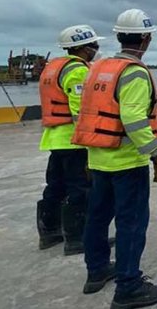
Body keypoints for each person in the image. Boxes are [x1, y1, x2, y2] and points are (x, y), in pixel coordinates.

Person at [72, 9, 157, 307]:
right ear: (146, 39)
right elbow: (133, 119)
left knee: (98, 217)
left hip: (98, 158)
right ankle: (129, 286)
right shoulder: (134, 72)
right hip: (127, 162)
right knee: (131, 223)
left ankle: (96, 271)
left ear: (118, 36)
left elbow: (85, 113)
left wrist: (88, 154)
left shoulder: (98, 69)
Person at [37, 25, 103, 255]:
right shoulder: (77, 71)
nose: (96, 49)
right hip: (73, 141)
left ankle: (50, 232)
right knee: (80, 188)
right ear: (84, 48)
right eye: (94, 45)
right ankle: (77, 238)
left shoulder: (53, 68)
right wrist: (90, 141)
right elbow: (80, 111)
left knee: (55, 186)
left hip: (55, 138)